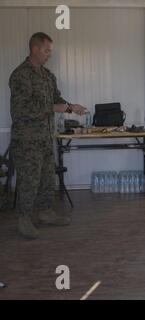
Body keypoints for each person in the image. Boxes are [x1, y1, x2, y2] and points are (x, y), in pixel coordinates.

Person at [9, 32, 86, 239]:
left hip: (45, 137)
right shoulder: (20, 75)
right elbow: (21, 108)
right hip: (26, 140)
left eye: (49, 51)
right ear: (35, 49)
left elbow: (56, 99)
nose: (49, 55)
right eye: (46, 50)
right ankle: (24, 219)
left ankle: (45, 213)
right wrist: (55, 107)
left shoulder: (48, 75)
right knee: (28, 181)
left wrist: (71, 107)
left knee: (46, 179)